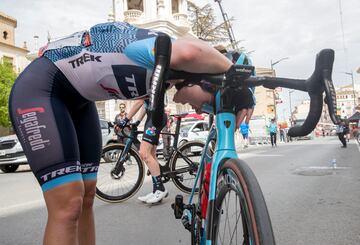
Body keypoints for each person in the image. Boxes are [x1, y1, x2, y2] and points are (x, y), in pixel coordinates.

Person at [8, 21, 232, 244]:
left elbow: (196, 47)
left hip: (81, 102)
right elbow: (191, 50)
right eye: (211, 102)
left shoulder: (162, 74)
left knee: (86, 197)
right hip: (41, 90)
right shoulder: (162, 51)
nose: (201, 110)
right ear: (202, 81)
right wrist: (234, 74)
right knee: (67, 204)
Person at [117, 99, 168, 204]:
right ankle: (156, 190)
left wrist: (125, 120)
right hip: (152, 117)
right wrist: (138, 121)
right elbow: (145, 104)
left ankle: (160, 189)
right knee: (151, 155)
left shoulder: (143, 84)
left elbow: (139, 101)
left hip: (155, 118)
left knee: (144, 153)